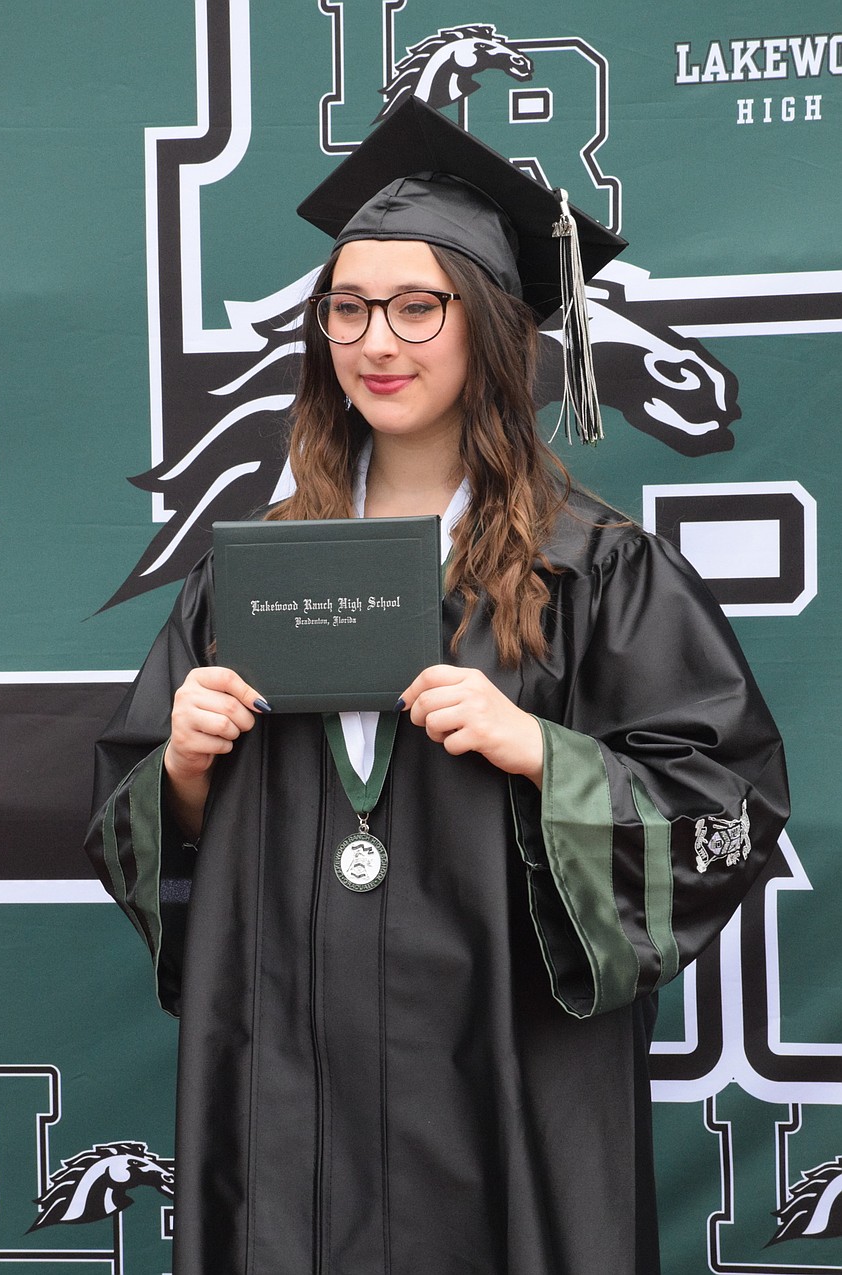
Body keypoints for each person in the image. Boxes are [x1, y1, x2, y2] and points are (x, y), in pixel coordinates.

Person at [85, 98, 789, 1275]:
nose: (378, 340)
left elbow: (728, 818)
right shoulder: (246, 576)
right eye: (350, 308)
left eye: (419, 307)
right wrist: (187, 771)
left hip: (503, 1075)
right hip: (294, 1088)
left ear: (491, 329)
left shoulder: (596, 571)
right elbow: (135, 830)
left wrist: (542, 751)